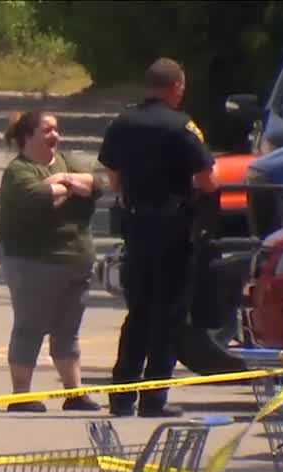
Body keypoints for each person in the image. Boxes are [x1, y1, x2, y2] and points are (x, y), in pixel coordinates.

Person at [96, 58, 217, 418]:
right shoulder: (183, 126)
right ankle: (153, 399)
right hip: (173, 230)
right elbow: (208, 181)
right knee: (169, 314)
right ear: (175, 87)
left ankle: (121, 396)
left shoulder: (123, 123)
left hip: (136, 229)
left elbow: (114, 181)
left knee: (139, 313)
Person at [0, 110, 107, 413]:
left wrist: (65, 181)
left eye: (56, 130)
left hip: (76, 259)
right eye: (46, 131)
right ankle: (21, 395)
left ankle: (75, 394)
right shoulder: (19, 171)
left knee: (68, 329)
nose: (54, 136)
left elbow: (99, 182)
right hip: (32, 261)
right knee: (30, 326)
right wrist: (72, 188)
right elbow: (40, 196)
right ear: (27, 136)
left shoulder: (68, 162)